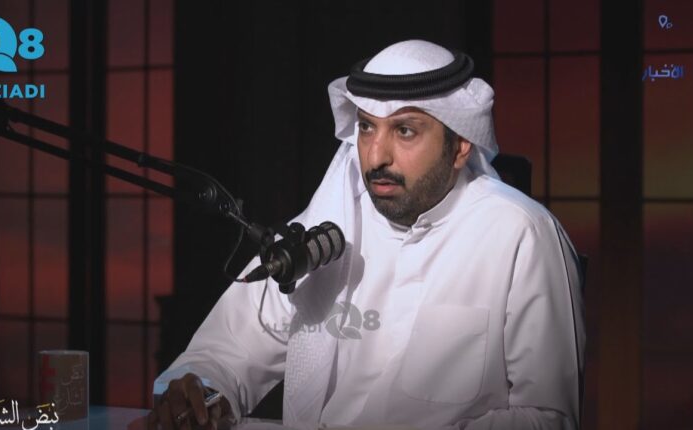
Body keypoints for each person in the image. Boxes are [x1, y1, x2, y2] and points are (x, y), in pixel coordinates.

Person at [148, 40, 586, 430]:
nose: (376, 156)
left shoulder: (520, 235)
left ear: (460, 145)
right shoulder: (332, 224)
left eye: (405, 130)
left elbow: (549, 417)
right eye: (366, 127)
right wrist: (201, 393)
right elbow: (228, 351)